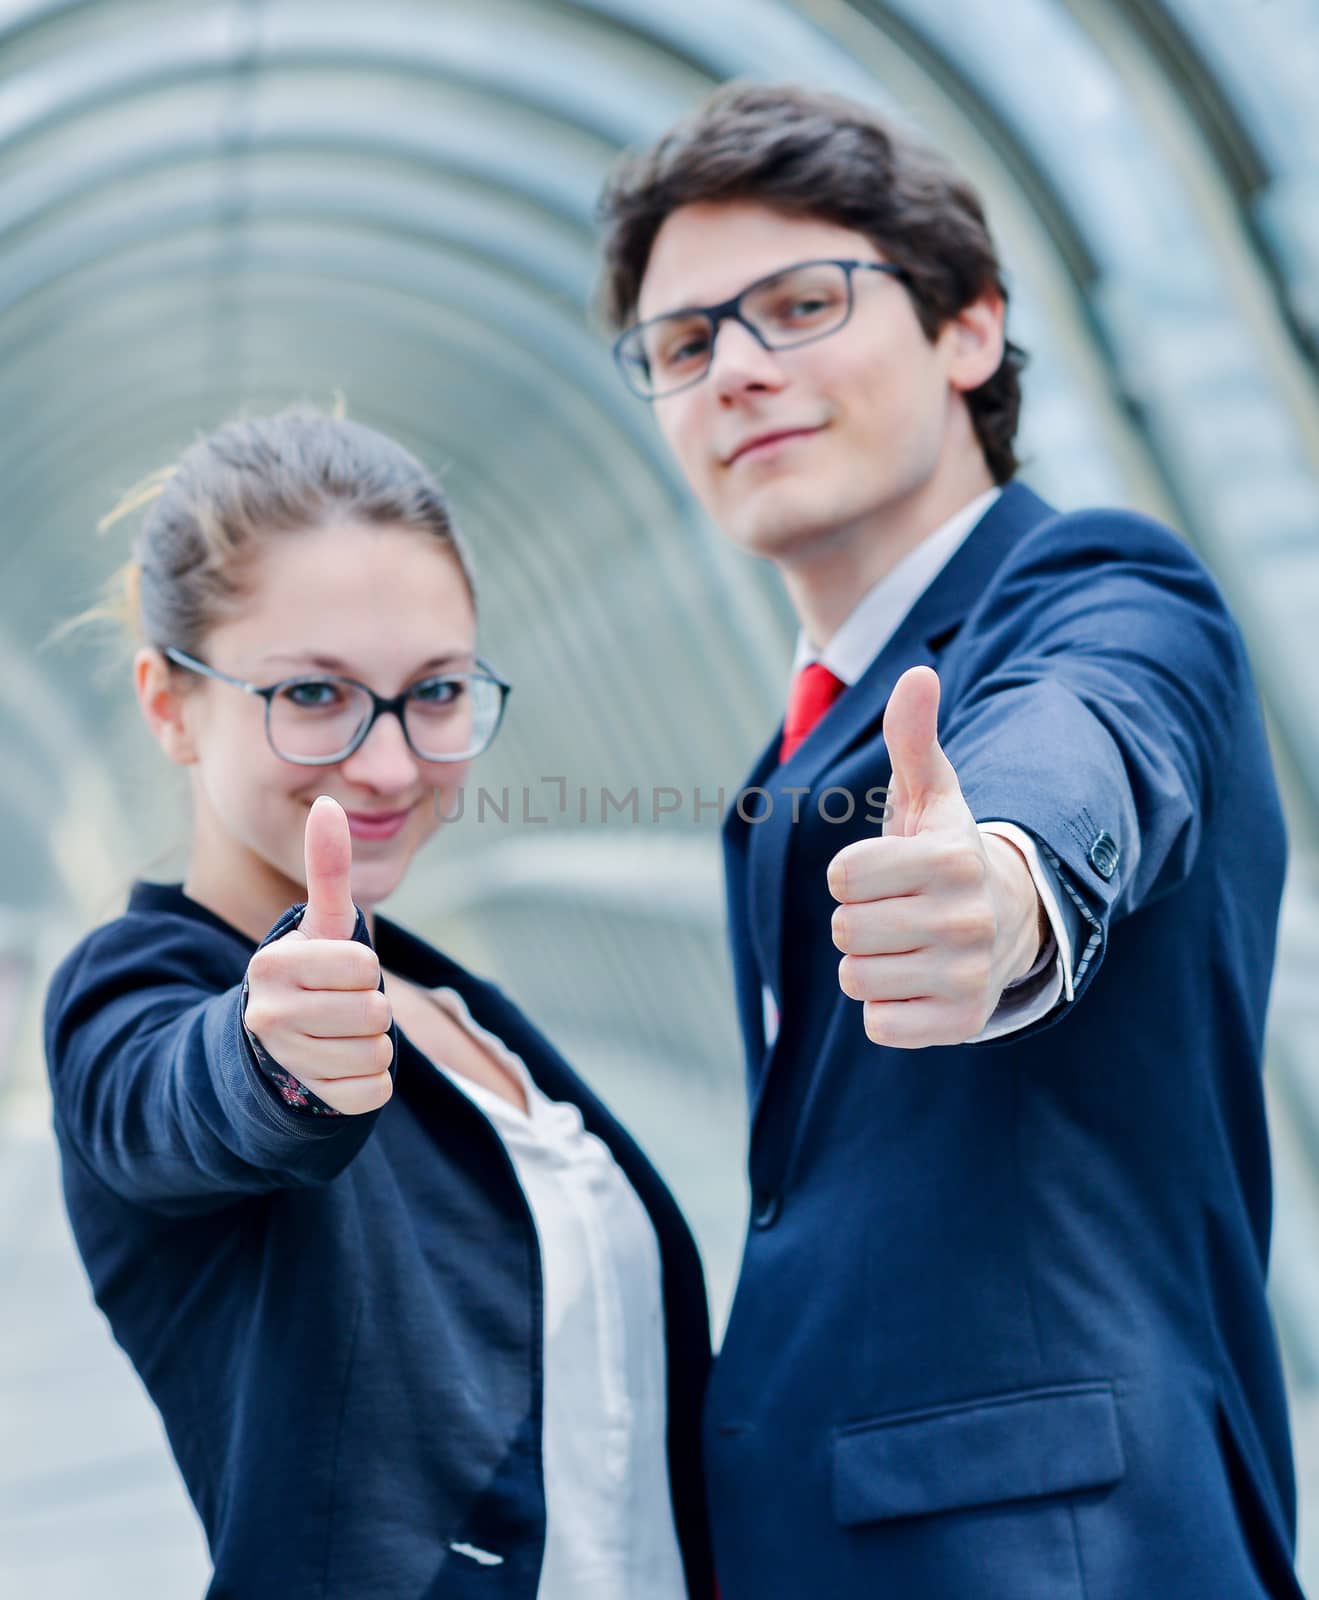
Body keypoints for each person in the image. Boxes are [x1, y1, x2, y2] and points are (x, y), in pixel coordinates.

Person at [596, 82, 1304, 1600]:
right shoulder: (783, 757)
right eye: (682, 344)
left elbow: (1086, 732)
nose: (735, 371)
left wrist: (1000, 880)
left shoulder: (1101, 586)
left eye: (798, 303)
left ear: (966, 328)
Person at [43, 410, 714, 1600]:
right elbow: (173, 1095)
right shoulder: (139, 993)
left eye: (436, 690)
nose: (393, 763)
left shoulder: (462, 1010)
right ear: (166, 702)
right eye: (314, 693)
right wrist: (271, 1060)